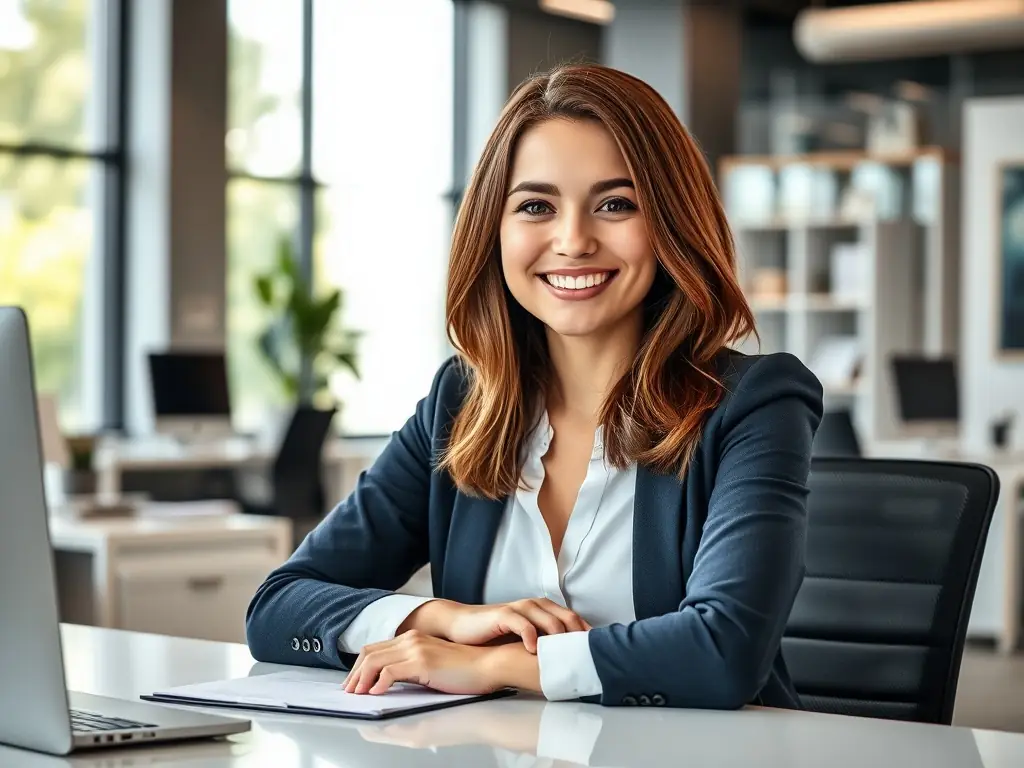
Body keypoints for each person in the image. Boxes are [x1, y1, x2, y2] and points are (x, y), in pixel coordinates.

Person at [245, 63, 823, 711]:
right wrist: (442, 620)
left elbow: (724, 651)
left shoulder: (753, 403)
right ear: (494, 228)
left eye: (616, 204)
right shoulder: (462, 403)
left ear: (671, 222)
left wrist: (497, 665)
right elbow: (278, 607)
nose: (572, 241)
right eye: (536, 207)